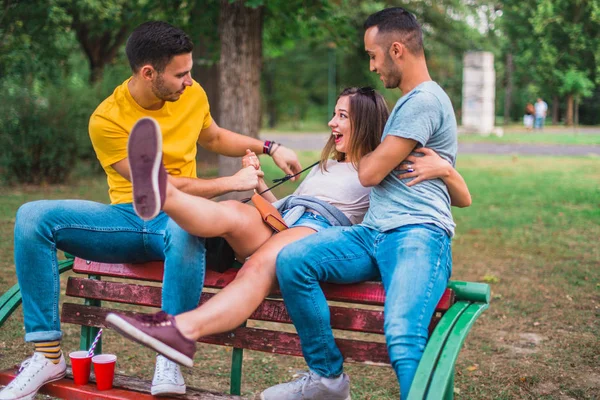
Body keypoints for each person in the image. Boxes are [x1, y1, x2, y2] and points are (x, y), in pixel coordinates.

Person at [0, 21, 301, 400]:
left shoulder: (191, 95)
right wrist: (231, 183)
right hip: (124, 220)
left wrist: (270, 147)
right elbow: (161, 184)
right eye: (181, 74)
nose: (190, 81)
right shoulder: (106, 119)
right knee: (31, 216)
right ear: (148, 73)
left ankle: (168, 351)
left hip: (176, 222)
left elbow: (214, 136)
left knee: (184, 226)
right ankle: (47, 355)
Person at [103, 87, 470, 383]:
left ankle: (181, 328)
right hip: (284, 220)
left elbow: (456, 199)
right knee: (232, 211)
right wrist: (260, 184)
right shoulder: (326, 165)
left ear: (366, 122)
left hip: (317, 229)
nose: (332, 122)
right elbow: (285, 208)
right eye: (335, 113)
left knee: (257, 267)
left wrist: (446, 170)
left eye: (342, 115)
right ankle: (163, 192)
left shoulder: (378, 166)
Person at [261, 8, 471, 399]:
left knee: (404, 334)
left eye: (374, 56)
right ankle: (327, 379)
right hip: (373, 232)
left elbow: (370, 173)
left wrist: (381, 159)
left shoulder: (424, 100)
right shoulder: (411, 103)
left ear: (396, 50)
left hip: (416, 233)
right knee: (293, 261)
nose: (373, 66)